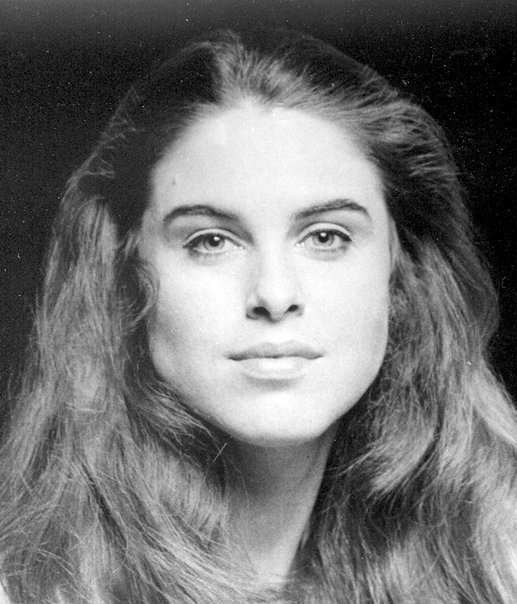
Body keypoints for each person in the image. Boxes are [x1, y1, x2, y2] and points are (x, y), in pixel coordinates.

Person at [0, 28, 515, 604]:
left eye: (326, 236)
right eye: (211, 241)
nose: (274, 293)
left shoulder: (496, 564)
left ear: (402, 267)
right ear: (122, 272)